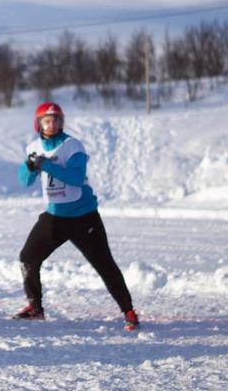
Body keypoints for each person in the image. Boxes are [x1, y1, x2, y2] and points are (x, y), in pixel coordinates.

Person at [15, 102, 140, 331]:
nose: (52, 124)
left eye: (56, 120)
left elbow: (75, 177)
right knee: (27, 258)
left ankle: (129, 311)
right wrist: (30, 166)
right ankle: (35, 307)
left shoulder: (73, 146)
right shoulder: (34, 147)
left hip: (83, 217)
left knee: (104, 264)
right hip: (54, 216)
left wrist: (46, 165)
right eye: (47, 120)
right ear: (38, 124)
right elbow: (24, 181)